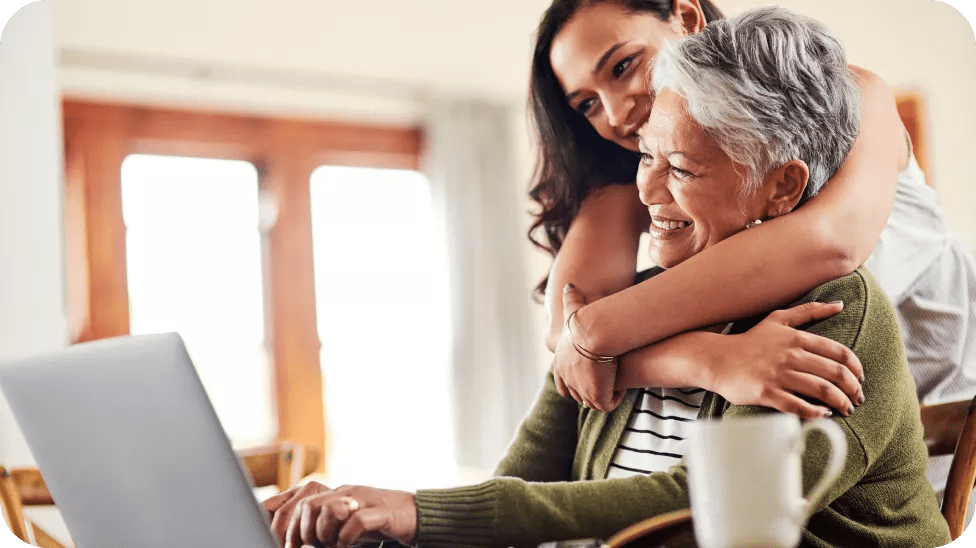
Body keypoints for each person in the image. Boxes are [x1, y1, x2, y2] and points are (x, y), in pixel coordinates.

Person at [262, 9, 951, 546]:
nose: (647, 188)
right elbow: (525, 476)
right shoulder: (642, 295)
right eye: (644, 157)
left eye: (680, 167)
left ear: (779, 188)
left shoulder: (832, 312)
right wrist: (382, 516)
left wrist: (422, 511)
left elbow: (696, 510)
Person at [532, 0, 976, 497]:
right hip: (812, 440)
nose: (615, 113)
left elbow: (830, 244)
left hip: (947, 432)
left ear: (687, 18)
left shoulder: (849, 96)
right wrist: (706, 359)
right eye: (587, 104)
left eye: (622, 66)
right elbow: (564, 334)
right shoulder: (642, 168)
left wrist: (595, 333)